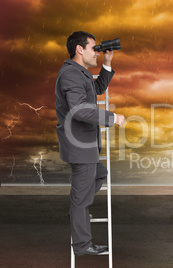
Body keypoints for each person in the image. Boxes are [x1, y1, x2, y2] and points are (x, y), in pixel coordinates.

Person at [55, 31, 125, 256]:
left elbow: (95, 90)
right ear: (79, 49)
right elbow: (79, 109)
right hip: (80, 147)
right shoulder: (70, 75)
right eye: (93, 48)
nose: (96, 52)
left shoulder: (79, 73)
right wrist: (112, 118)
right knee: (81, 199)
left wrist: (106, 62)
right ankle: (83, 245)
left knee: (99, 175)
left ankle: (78, 211)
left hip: (86, 146)